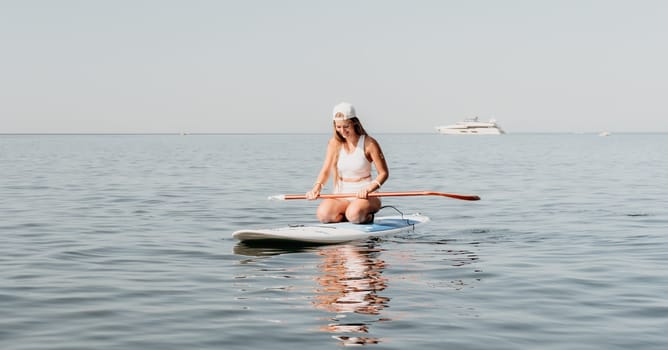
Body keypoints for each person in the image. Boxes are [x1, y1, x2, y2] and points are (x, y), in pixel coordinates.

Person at [306, 102, 388, 224]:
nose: (342, 131)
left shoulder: (369, 143)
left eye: (346, 126)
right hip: (341, 195)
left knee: (354, 214)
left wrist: (369, 188)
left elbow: (383, 173)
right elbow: (325, 171)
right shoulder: (334, 144)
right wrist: (316, 188)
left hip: (366, 195)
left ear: (354, 122)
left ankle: (363, 216)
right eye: (338, 127)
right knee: (323, 215)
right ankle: (348, 218)